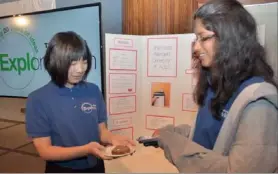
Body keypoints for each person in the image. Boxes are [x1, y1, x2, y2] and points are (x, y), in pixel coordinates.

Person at [152, 0, 278, 172]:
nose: (196, 47)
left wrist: (173, 142)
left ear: (231, 38)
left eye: (203, 38)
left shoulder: (259, 102)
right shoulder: (214, 86)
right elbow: (211, 137)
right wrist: (172, 133)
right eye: (196, 39)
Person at [25, 31, 135, 173]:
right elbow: (45, 151)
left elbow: (101, 132)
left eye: (84, 61)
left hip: (96, 166)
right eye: (73, 63)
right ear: (55, 62)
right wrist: (86, 150)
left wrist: (114, 139)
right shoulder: (38, 99)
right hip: (61, 169)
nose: (80, 69)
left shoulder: (93, 90)